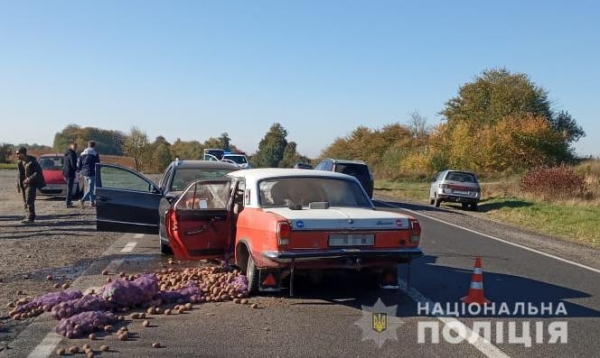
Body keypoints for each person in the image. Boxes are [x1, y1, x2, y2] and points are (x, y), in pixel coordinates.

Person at [16, 147, 44, 223]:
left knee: (29, 201)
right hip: (23, 185)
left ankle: (31, 218)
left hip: (31, 184)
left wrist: (29, 179)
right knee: (25, 202)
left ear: (23, 153)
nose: (17, 155)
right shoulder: (20, 163)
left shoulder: (32, 161)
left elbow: (37, 172)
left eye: (18, 153)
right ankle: (27, 216)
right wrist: (18, 184)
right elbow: (19, 174)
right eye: (17, 153)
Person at [78, 140, 101, 208]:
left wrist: (80, 171)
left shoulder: (82, 153)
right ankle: (82, 200)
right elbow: (98, 164)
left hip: (84, 173)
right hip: (91, 172)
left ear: (88, 145)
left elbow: (79, 164)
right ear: (94, 146)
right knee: (91, 189)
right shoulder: (95, 153)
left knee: (89, 187)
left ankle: (92, 202)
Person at [62, 142, 78, 207]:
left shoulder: (66, 153)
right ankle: (68, 202)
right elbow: (73, 164)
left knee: (69, 187)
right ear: (71, 147)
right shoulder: (72, 154)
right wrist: (77, 169)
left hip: (65, 172)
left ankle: (69, 201)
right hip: (70, 173)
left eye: (76, 147)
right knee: (70, 188)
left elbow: (62, 162)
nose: (75, 148)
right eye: (74, 147)